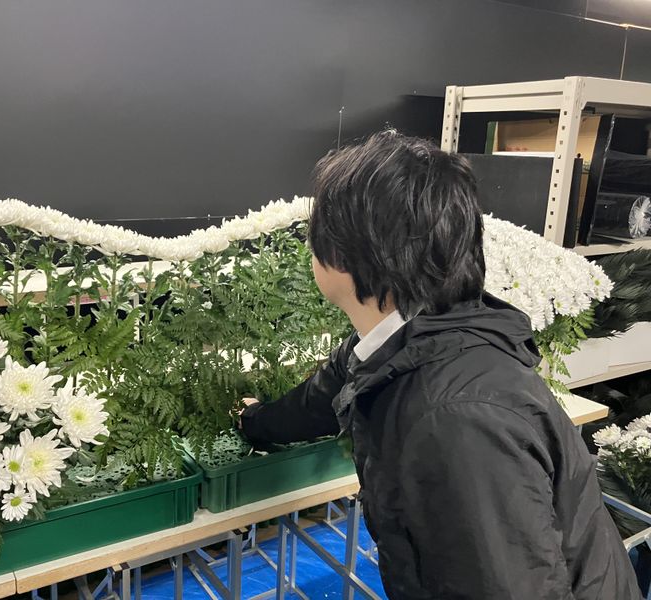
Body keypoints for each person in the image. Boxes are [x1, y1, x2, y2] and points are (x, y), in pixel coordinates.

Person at [240, 130, 640, 599]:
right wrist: (254, 421)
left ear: (341, 256)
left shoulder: (455, 420)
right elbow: (323, 396)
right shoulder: (417, 335)